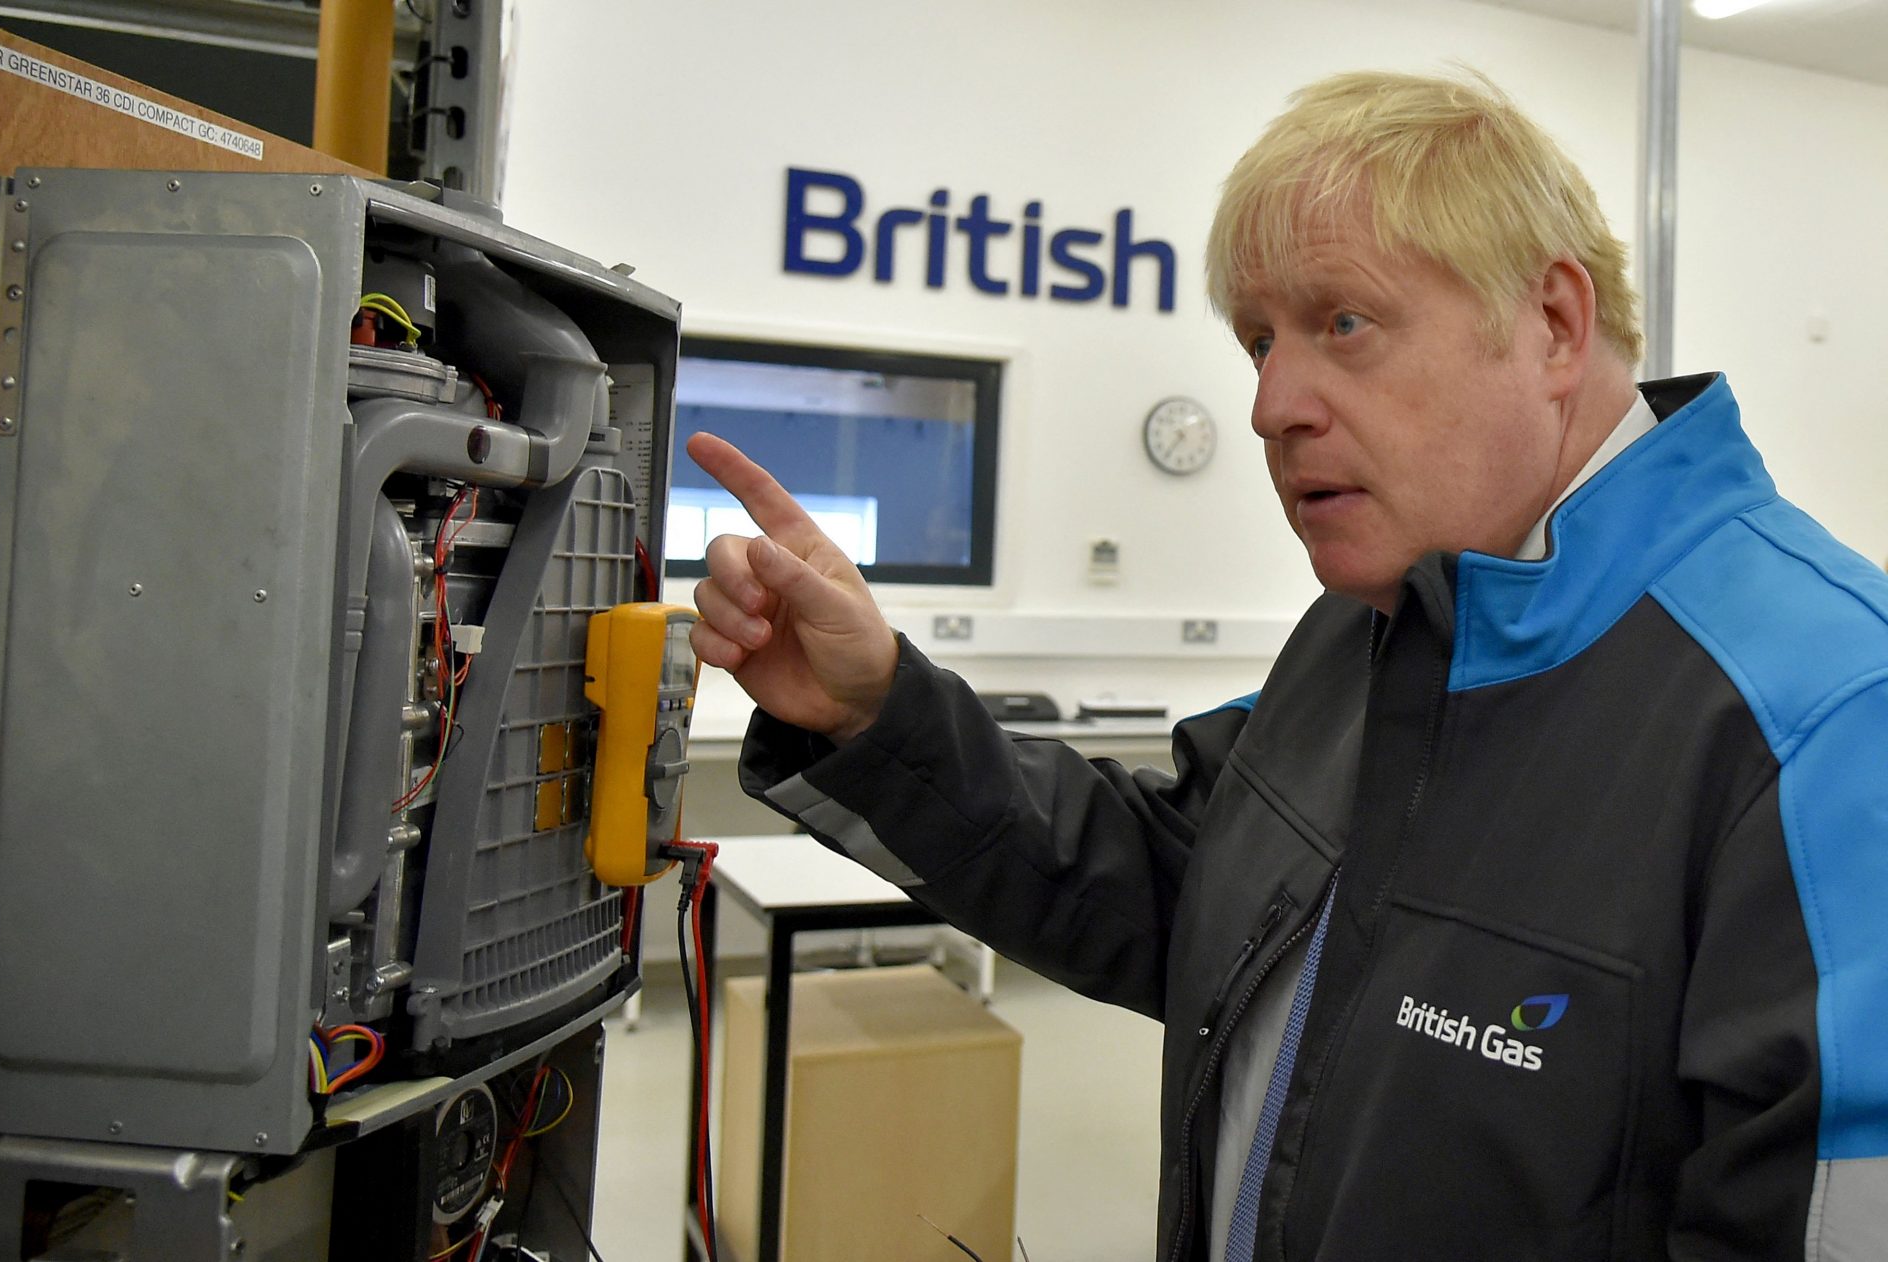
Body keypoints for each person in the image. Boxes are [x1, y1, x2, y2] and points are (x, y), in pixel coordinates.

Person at [685, 70, 1888, 1260]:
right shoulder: (1384, 622)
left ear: (1555, 327)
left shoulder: (1828, 717)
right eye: (1260, 338)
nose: (1270, 404)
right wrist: (876, 707)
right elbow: (1175, 895)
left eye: (1343, 324)